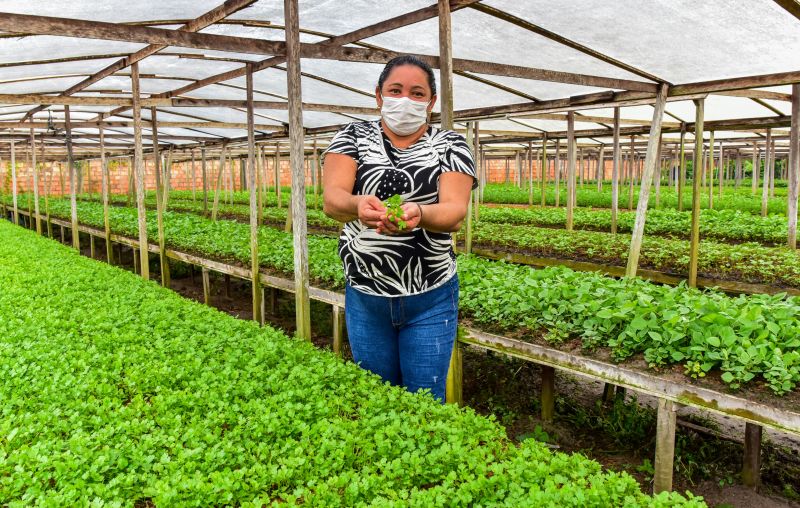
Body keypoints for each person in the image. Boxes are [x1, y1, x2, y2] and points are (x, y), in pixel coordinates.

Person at [322, 55, 477, 402]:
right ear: (379, 95)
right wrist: (357, 205)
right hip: (366, 294)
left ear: (431, 102)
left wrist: (420, 213)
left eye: (417, 93)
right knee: (376, 397)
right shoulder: (353, 136)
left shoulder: (450, 144)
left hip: (431, 295)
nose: (405, 99)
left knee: (425, 399)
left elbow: (454, 211)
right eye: (395, 90)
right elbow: (333, 200)